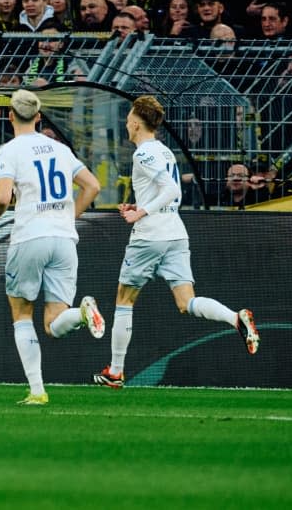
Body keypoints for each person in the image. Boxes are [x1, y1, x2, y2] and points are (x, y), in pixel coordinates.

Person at [93, 95, 261, 389]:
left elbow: (170, 190)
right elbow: (173, 196)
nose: (126, 122)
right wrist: (138, 204)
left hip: (149, 236)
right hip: (175, 233)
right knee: (187, 302)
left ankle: (116, 371)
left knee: (124, 300)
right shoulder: (165, 152)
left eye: (128, 117)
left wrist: (141, 212)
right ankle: (236, 318)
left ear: (135, 122)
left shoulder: (143, 154)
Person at [0, 89, 105, 405]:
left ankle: (37, 391)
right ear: (38, 117)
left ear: (10, 116)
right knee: (54, 323)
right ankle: (81, 313)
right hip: (64, 239)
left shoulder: (9, 151)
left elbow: (2, 197)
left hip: (30, 237)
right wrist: (68, 216)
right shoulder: (60, 149)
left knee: (22, 314)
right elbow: (93, 186)